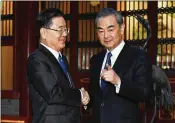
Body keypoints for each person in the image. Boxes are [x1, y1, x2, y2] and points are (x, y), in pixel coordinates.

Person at [88, 8, 152, 123]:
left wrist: (118, 82)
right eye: (101, 31)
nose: (106, 36)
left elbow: (145, 93)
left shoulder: (138, 56)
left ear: (122, 28)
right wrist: (86, 99)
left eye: (110, 29)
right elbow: (96, 96)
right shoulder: (96, 60)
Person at [27, 8, 89, 123]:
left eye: (66, 29)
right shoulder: (36, 59)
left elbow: (66, 90)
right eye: (59, 30)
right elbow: (53, 93)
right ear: (43, 32)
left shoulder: (62, 59)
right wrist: (80, 95)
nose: (64, 34)